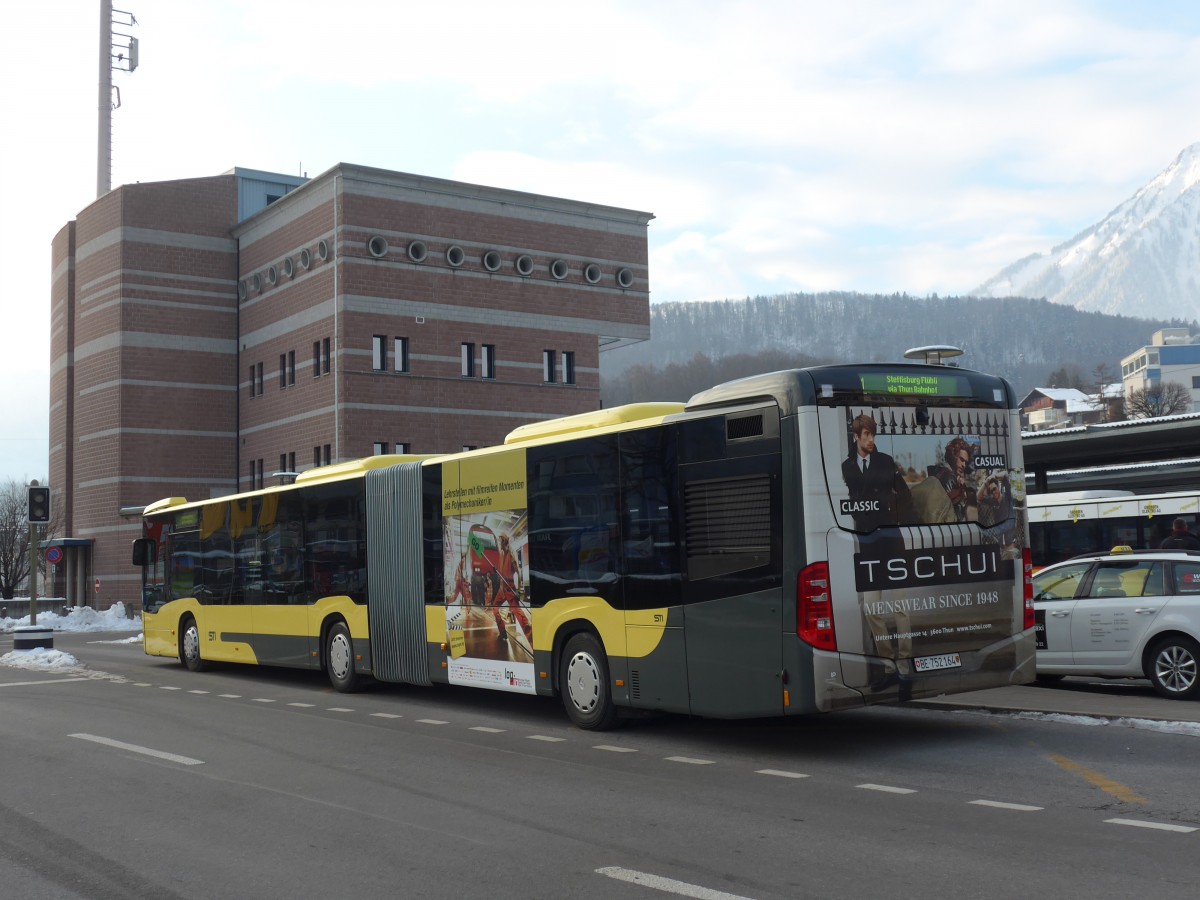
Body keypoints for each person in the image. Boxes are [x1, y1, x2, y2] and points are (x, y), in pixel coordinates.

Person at [840, 414, 913, 532]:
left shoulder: (886, 461)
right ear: (856, 436)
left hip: (888, 530)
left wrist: (894, 518)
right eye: (867, 434)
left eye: (873, 435)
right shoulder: (847, 466)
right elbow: (850, 498)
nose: (871, 439)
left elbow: (905, 494)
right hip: (863, 532)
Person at [911, 436, 977, 523]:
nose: (964, 465)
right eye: (961, 459)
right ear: (953, 456)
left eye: (966, 462)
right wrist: (963, 496)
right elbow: (957, 518)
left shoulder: (938, 471)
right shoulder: (950, 479)